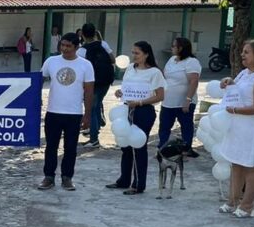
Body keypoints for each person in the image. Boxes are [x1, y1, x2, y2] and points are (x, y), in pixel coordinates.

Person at [217, 39, 254, 217]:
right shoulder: (244, 73)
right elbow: (235, 88)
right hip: (237, 125)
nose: (242, 55)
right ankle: (233, 200)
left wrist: (235, 109)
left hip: (251, 127)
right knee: (236, 164)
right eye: (243, 51)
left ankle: (248, 205)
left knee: (250, 166)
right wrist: (227, 81)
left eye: (247, 52)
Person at [106, 41, 165, 195]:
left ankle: (138, 184)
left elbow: (160, 95)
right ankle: (124, 179)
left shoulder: (154, 73)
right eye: (133, 52)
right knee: (125, 146)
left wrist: (140, 102)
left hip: (143, 110)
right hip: (127, 108)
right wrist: (120, 92)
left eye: (137, 53)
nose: (134, 56)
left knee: (138, 146)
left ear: (146, 54)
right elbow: (127, 88)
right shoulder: (130, 69)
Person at [37, 32, 94, 191]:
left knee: (70, 148)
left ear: (76, 47)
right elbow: (39, 80)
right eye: (62, 45)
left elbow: (89, 91)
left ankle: (67, 177)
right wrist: (37, 97)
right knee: (51, 146)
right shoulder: (51, 61)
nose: (64, 48)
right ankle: (48, 176)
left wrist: (87, 114)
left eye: (68, 46)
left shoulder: (85, 65)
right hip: (53, 111)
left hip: (74, 113)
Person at [157, 37, 202, 157]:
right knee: (164, 126)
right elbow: (166, 76)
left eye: (173, 46)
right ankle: (163, 148)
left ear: (180, 48)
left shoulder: (191, 62)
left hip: (183, 101)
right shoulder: (172, 59)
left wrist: (188, 100)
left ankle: (186, 148)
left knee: (186, 125)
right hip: (168, 100)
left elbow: (194, 81)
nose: (171, 48)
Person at [77, 23, 115, 148]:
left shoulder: (82, 50)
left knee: (92, 109)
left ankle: (94, 139)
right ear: (95, 33)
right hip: (106, 80)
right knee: (97, 105)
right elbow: (113, 59)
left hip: (92, 82)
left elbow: (80, 68)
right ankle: (97, 128)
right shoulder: (103, 44)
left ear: (82, 34)